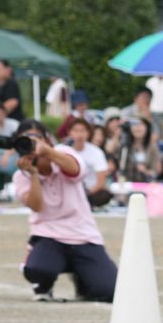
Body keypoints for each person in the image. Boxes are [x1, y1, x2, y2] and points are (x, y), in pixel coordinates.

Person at [11, 119, 117, 302]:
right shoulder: (21, 176)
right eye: (26, 140)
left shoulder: (64, 153)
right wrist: (33, 174)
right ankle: (44, 282)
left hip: (82, 234)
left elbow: (74, 170)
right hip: (48, 235)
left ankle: (82, 278)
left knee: (110, 291)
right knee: (37, 270)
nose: (33, 144)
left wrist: (47, 152)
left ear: (47, 139)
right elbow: (36, 206)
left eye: (37, 138)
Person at [65, 117, 111, 208]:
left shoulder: (96, 152)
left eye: (82, 131)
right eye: (76, 131)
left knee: (104, 195)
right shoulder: (61, 150)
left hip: (89, 192)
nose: (79, 134)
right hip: (66, 191)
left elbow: (101, 181)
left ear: (88, 133)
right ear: (70, 132)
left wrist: (85, 192)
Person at [111, 118, 162, 183]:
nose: (138, 128)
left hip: (146, 184)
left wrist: (145, 170)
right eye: (135, 125)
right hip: (127, 184)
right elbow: (110, 150)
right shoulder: (125, 145)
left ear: (147, 128)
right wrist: (118, 132)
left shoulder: (152, 147)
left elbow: (157, 171)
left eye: (141, 125)